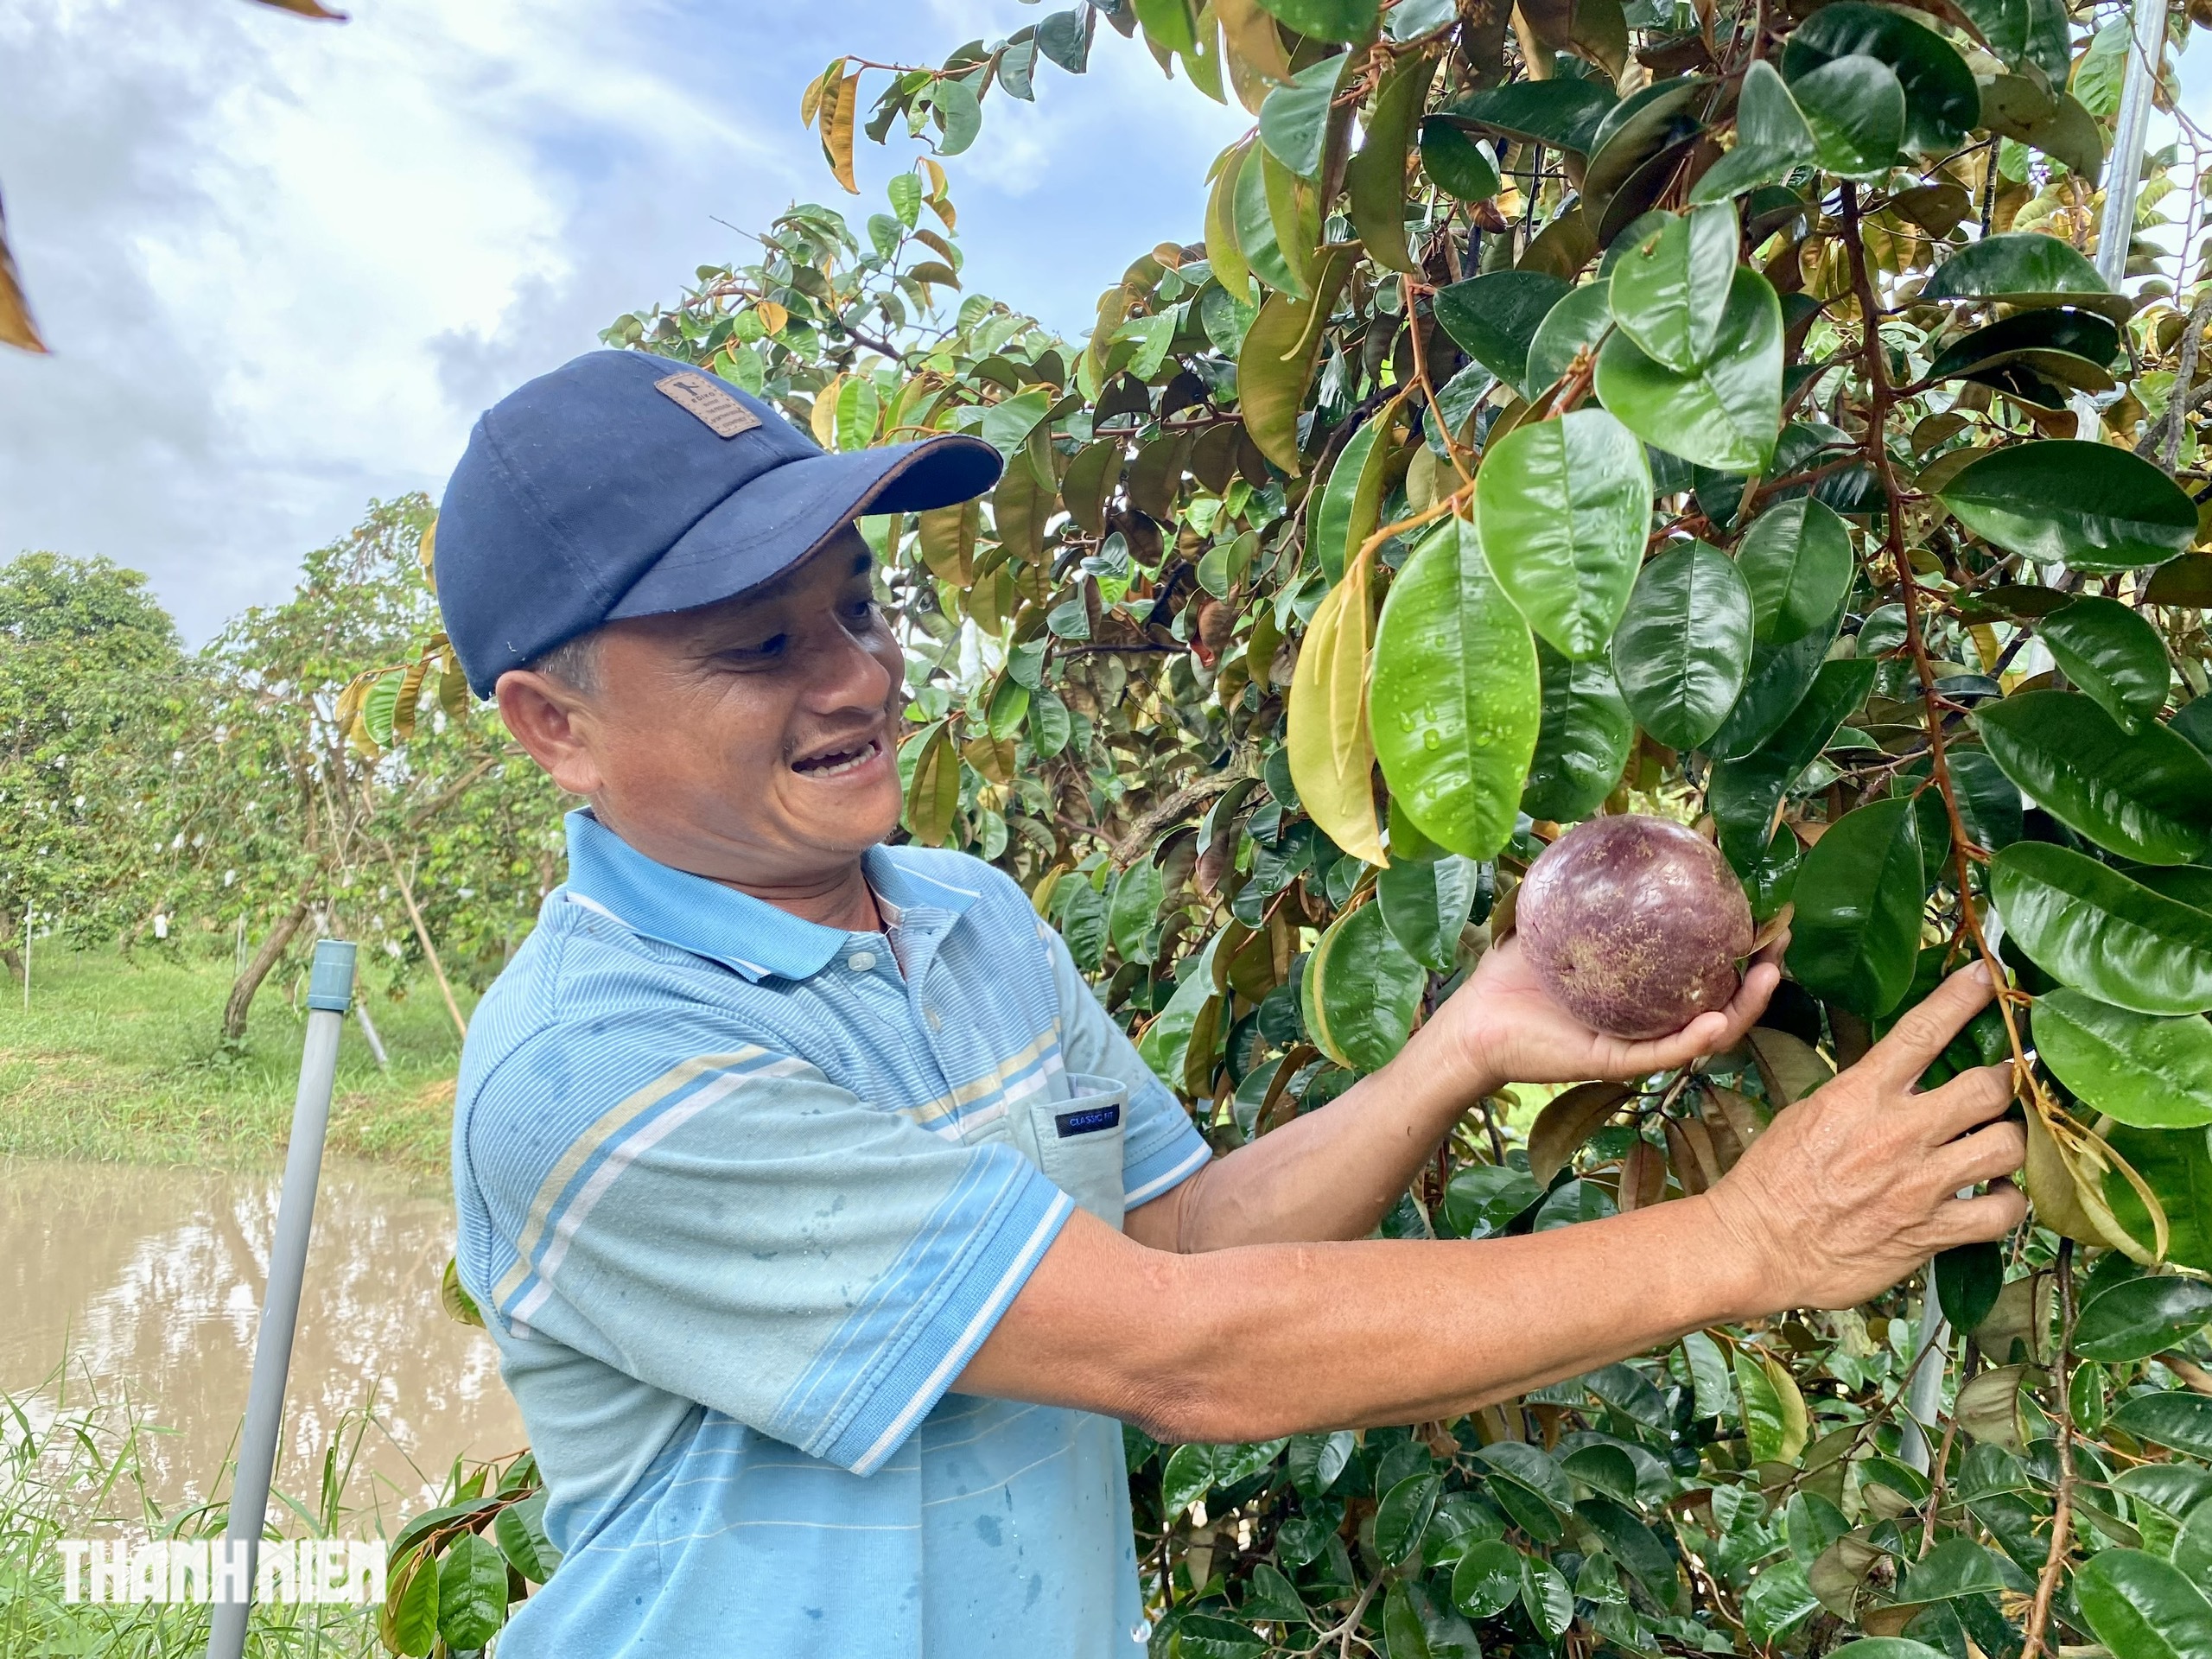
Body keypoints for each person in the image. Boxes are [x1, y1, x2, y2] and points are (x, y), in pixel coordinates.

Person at [433, 349, 2026, 1658]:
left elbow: (1180, 1241)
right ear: (553, 728)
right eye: (755, 646)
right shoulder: (597, 1070)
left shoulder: (967, 916)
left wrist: (1462, 1046)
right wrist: (1746, 1240)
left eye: (856, 605)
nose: (855, 676)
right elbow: (1181, 1354)